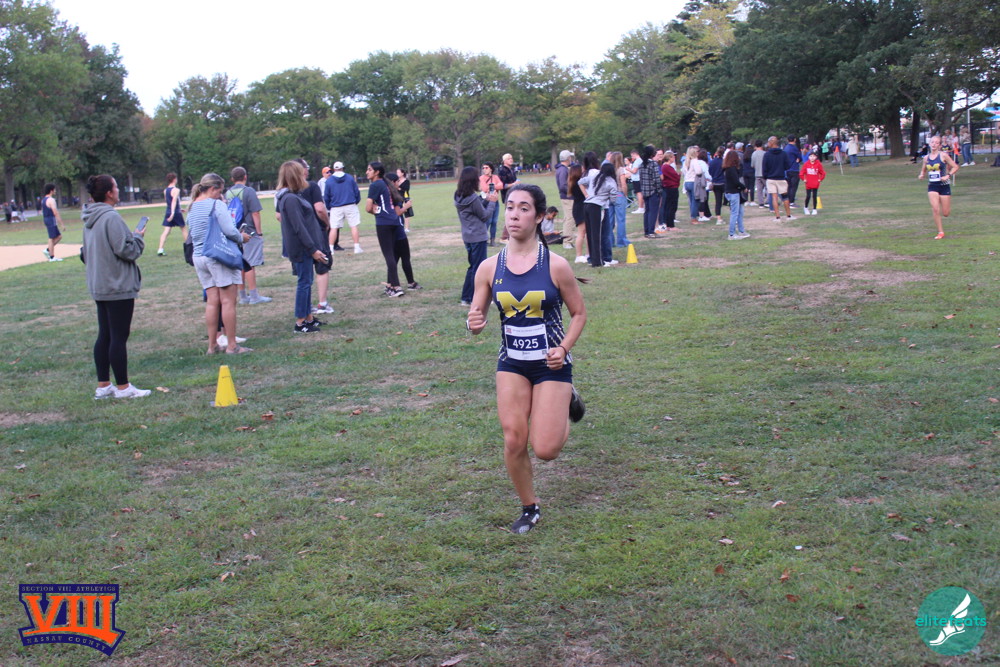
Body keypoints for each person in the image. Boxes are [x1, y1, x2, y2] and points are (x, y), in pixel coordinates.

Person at [466, 184, 586, 534]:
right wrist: (473, 323)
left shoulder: (556, 265)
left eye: (523, 208)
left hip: (551, 363)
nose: (514, 215)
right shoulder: (489, 267)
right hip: (512, 363)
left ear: (538, 217)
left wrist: (564, 348)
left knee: (546, 450)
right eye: (510, 207)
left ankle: (565, 398)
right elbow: (475, 317)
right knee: (514, 439)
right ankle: (529, 507)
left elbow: (579, 314)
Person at [82, 174, 150, 399]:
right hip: (117, 284)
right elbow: (127, 250)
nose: (119, 190)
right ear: (109, 193)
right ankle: (123, 387)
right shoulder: (111, 217)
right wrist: (138, 237)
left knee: (105, 335)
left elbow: (84, 253)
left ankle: (103, 385)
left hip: (99, 283)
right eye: (116, 187)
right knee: (118, 337)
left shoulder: (89, 218)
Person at [187, 173, 251, 354]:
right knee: (228, 301)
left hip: (199, 257)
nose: (221, 195)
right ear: (213, 188)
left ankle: (212, 345)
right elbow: (229, 230)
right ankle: (232, 345)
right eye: (220, 191)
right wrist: (242, 237)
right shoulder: (216, 205)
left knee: (212, 302)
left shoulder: (192, 206)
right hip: (217, 256)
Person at [275, 161, 330, 332]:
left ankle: (309, 318)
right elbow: (298, 227)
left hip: (305, 246)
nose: (305, 175)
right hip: (302, 248)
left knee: (307, 281)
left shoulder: (294, 196)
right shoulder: (290, 199)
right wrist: (312, 249)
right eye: (301, 173)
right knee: (304, 283)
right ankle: (300, 323)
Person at [366, 161, 417, 297]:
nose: (367, 172)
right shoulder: (387, 184)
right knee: (394, 255)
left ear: (377, 172)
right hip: (395, 221)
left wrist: (376, 211)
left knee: (389, 256)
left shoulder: (375, 185)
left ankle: (396, 287)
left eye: (369, 169)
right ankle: (393, 286)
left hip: (384, 223)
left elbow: (368, 208)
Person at [292, 159, 334, 314]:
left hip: (298, 235)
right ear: (301, 169)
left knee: (303, 272)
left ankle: (306, 305)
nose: (308, 170)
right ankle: (322, 303)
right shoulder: (311, 186)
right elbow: (320, 209)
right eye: (307, 167)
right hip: (315, 232)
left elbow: (279, 216)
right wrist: (327, 223)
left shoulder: (286, 191)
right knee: (322, 266)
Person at [227, 167, 271, 305]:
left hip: (234, 232)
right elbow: (255, 213)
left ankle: (243, 296)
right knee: (250, 263)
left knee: (240, 264)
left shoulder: (228, 193)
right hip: (249, 230)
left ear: (232, 179)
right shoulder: (249, 191)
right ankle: (254, 296)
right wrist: (259, 232)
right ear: (245, 177)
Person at [455, 165, 498, 305]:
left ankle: (466, 297)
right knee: (479, 269)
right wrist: (492, 203)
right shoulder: (472, 197)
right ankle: (477, 297)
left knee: (473, 267)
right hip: (478, 236)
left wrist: (486, 200)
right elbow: (484, 216)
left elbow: (475, 209)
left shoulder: (459, 195)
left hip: (467, 236)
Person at [917, 135, 959, 240]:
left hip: (944, 186)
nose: (934, 144)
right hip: (932, 186)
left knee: (945, 213)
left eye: (936, 143)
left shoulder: (943, 155)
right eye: (932, 142)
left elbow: (955, 166)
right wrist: (921, 175)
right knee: (935, 209)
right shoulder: (926, 158)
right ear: (929, 144)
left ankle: (943, 204)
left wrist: (948, 175)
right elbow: (923, 170)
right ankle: (940, 232)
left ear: (939, 145)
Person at [579, 155, 617, 268]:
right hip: (597, 207)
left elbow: (580, 181)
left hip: (587, 205)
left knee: (590, 234)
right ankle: (599, 261)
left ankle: (592, 259)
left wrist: (587, 194)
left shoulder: (594, 177)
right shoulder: (611, 181)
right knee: (598, 234)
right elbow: (613, 199)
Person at [324, 161, 364, 255]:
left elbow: (326, 196)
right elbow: (356, 192)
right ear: (342, 168)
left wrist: (329, 206)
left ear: (334, 169)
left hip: (335, 207)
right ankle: (356, 247)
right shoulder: (349, 178)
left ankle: (331, 248)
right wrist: (355, 201)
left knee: (334, 228)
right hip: (350, 204)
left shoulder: (329, 180)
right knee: (353, 226)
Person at [763, 136, 794, 220]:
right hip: (781, 177)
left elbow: (764, 168)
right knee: (785, 197)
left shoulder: (767, 154)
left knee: (774, 197)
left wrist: (766, 176)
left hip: (770, 178)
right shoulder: (783, 154)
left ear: (770, 143)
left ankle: (777, 216)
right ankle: (788, 215)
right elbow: (788, 166)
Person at [157, 173, 187, 256]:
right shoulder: (176, 190)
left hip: (169, 211)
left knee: (166, 231)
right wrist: (173, 213)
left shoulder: (165, 190)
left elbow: (168, 202)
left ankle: (160, 249)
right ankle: (189, 248)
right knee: (184, 229)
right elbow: (174, 201)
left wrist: (177, 209)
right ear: (174, 179)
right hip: (175, 212)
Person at [722, 150, 749, 240]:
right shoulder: (731, 169)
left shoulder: (728, 168)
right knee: (734, 213)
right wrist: (744, 187)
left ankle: (741, 231)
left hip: (733, 192)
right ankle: (731, 234)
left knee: (740, 212)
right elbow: (736, 182)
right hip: (733, 193)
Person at [639, 145, 662, 238]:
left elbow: (641, 178)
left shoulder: (642, 164)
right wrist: (659, 189)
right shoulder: (653, 164)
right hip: (653, 191)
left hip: (645, 190)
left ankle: (647, 231)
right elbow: (656, 178)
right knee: (653, 211)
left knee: (647, 211)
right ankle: (651, 231)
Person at [554, 150, 576, 248]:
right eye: (570, 157)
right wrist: (572, 191)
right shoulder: (563, 170)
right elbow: (563, 186)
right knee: (569, 219)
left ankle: (569, 240)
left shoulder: (562, 169)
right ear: (568, 158)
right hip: (568, 197)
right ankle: (567, 241)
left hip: (567, 197)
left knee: (569, 218)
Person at [567, 164, 588, 262]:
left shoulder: (573, 182)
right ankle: (579, 256)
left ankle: (588, 254)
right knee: (581, 233)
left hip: (580, 207)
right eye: (582, 169)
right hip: (580, 208)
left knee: (586, 233)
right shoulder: (578, 184)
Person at [479, 163, 504, 247]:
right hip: (487, 202)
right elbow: (484, 188)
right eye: (483, 168)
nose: (484, 169)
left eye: (486, 167)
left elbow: (501, 185)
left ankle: (492, 240)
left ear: (491, 169)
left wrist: (492, 186)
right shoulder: (481, 178)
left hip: (495, 201)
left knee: (494, 222)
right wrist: (494, 186)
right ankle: (484, 240)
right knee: (487, 221)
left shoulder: (495, 177)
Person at [608, 151, 630, 247]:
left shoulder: (608, 169)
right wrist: (625, 194)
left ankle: (610, 241)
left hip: (609, 195)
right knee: (620, 220)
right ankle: (621, 241)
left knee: (609, 220)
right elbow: (623, 184)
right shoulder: (620, 170)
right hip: (619, 194)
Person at [41, 184, 64, 261]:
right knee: (51, 238)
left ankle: (48, 250)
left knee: (59, 236)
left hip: (47, 219)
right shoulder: (51, 200)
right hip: (51, 219)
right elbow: (55, 212)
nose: (55, 191)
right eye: (54, 189)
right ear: (51, 190)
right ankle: (52, 257)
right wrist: (61, 224)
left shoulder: (43, 200)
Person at [660, 150, 680, 231]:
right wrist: (678, 175)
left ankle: (668, 224)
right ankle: (670, 225)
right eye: (672, 156)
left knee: (669, 206)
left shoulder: (665, 166)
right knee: (672, 207)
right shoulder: (667, 167)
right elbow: (676, 177)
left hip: (669, 188)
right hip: (671, 188)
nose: (674, 158)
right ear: (669, 158)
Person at [783, 135, 803, 208]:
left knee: (788, 186)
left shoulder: (785, 148)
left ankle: (788, 200)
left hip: (787, 170)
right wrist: (798, 160)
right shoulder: (794, 148)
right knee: (793, 186)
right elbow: (800, 157)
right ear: (794, 140)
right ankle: (791, 202)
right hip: (794, 169)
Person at [708, 147, 726, 224]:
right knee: (730, 200)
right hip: (723, 182)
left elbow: (710, 171)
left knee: (718, 201)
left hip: (715, 183)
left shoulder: (712, 162)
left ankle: (718, 218)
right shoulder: (724, 162)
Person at [396, 168, 413, 233]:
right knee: (398, 212)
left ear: (402, 173)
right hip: (397, 198)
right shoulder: (396, 181)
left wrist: (399, 188)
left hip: (405, 198)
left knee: (406, 213)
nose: (397, 174)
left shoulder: (406, 181)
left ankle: (407, 228)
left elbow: (406, 189)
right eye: (397, 172)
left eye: (398, 172)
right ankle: (400, 227)